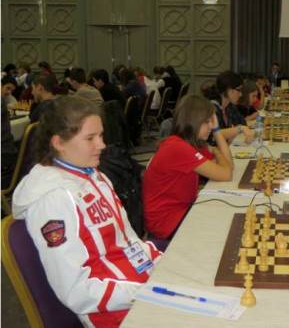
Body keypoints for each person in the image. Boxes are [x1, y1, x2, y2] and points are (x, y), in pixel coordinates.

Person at [12, 96, 161, 326]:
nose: (102, 145)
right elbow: (76, 291)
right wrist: (147, 293)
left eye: (101, 136)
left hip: (138, 286)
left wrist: (163, 266)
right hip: (114, 312)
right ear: (59, 143)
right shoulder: (53, 200)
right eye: (90, 138)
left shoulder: (94, 176)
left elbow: (127, 241)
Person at [143, 94, 233, 240]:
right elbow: (226, 174)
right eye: (207, 122)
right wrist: (216, 149)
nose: (211, 126)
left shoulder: (190, 143)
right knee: (223, 227)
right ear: (194, 122)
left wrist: (217, 131)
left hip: (179, 210)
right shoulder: (178, 148)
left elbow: (229, 167)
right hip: (166, 223)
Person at [208, 71, 254, 143]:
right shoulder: (211, 108)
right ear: (228, 89)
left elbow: (242, 123)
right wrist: (239, 129)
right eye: (238, 90)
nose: (241, 94)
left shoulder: (230, 106)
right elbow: (213, 136)